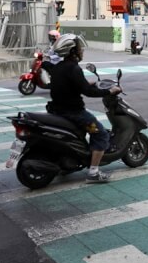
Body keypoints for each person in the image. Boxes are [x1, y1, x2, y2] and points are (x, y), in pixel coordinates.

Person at [48, 34, 122, 183]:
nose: (82, 51)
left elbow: (72, 86)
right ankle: (93, 172)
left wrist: (89, 84)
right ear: (72, 51)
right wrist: (109, 91)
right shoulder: (74, 69)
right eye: (80, 49)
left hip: (57, 110)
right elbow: (88, 92)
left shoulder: (58, 67)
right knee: (101, 134)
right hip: (74, 113)